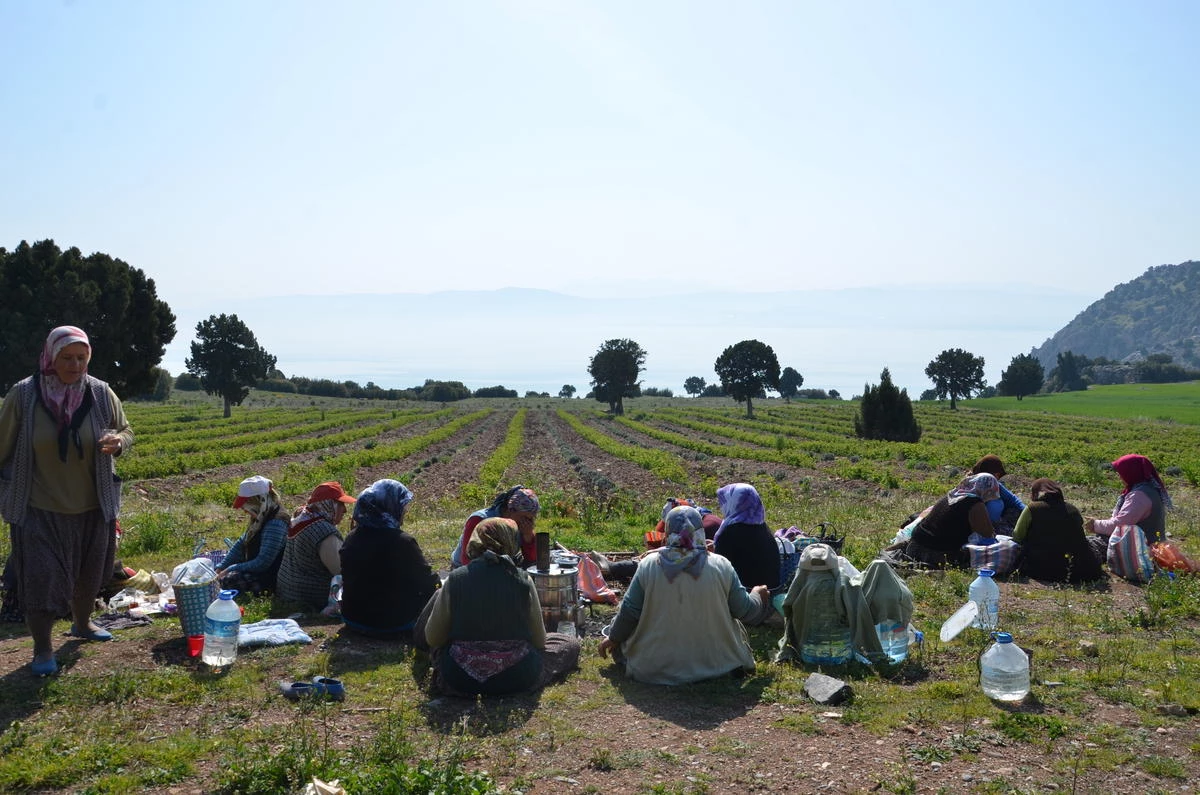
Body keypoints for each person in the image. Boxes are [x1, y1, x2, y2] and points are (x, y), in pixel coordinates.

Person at [0, 326, 133, 676]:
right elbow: (2, 446)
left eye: (82, 358)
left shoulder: (101, 393)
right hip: (38, 506)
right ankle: (42, 648)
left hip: (93, 504)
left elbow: (126, 429)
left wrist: (118, 442)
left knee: (90, 573)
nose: (75, 365)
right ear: (50, 357)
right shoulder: (25, 395)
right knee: (41, 577)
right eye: (67, 358)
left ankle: (83, 624)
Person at [597, 505, 766, 685]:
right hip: (719, 664)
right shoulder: (721, 565)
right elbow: (745, 611)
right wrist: (758, 594)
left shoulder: (649, 565)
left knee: (624, 646)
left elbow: (630, 612)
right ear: (700, 532)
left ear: (667, 534)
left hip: (654, 667)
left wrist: (614, 638)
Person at [416, 517, 581, 696]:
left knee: (440, 649)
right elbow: (540, 641)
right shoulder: (522, 579)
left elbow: (433, 638)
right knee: (567, 642)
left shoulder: (455, 579)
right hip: (516, 677)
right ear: (510, 541)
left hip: (460, 679)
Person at [339, 479, 440, 638]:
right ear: (389, 507)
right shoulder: (402, 542)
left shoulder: (352, 537)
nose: (404, 512)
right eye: (402, 506)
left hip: (353, 618)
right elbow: (427, 581)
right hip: (393, 623)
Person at [276, 481, 356, 611]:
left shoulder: (301, 518)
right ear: (329, 505)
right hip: (311, 597)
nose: (345, 510)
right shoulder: (325, 532)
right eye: (340, 504)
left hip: (287, 592)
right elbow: (342, 571)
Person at [1011, 478, 1103, 583]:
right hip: (1079, 569)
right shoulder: (1073, 510)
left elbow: (1017, 536)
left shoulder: (1032, 508)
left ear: (1036, 493)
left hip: (1041, 569)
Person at [902, 473, 999, 568]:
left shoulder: (952, 496)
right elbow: (987, 534)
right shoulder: (975, 504)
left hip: (913, 547)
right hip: (934, 554)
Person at [215, 475, 287, 595]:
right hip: (256, 570)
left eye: (247, 504)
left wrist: (231, 568)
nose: (244, 509)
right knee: (220, 576)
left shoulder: (276, 523)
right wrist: (221, 567)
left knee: (230, 580)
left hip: (270, 576)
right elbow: (241, 544)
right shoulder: (261, 517)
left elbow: (263, 563)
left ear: (258, 500)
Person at [1085, 454, 1172, 546]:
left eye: (1122, 472)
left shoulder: (1139, 496)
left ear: (1131, 472)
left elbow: (1120, 526)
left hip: (1143, 550)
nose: (1119, 476)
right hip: (1152, 545)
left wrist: (1095, 524)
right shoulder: (1150, 489)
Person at [449, 485, 540, 569]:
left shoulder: (523, 526)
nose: (528, 522)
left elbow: (532, 559)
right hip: (468, 568)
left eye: (531, 519)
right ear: (511, 510)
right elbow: (467, 558)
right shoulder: (479, 519)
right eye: (525, 517)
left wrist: (528, 536)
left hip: (501, 565)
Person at [713, 483, 780, 595]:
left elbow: (719, 568)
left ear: (734, 502)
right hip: (771, 594)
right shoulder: (762, 527)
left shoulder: (730, 532)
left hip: (745, 599)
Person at [969, 455, 1026, 533]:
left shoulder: (993, 484)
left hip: (990, 524)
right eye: (997, 475)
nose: (998, 478)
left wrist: (1027, 511)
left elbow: (1012, 499)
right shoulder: (971, 486)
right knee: (996, 503)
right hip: (981, 527)